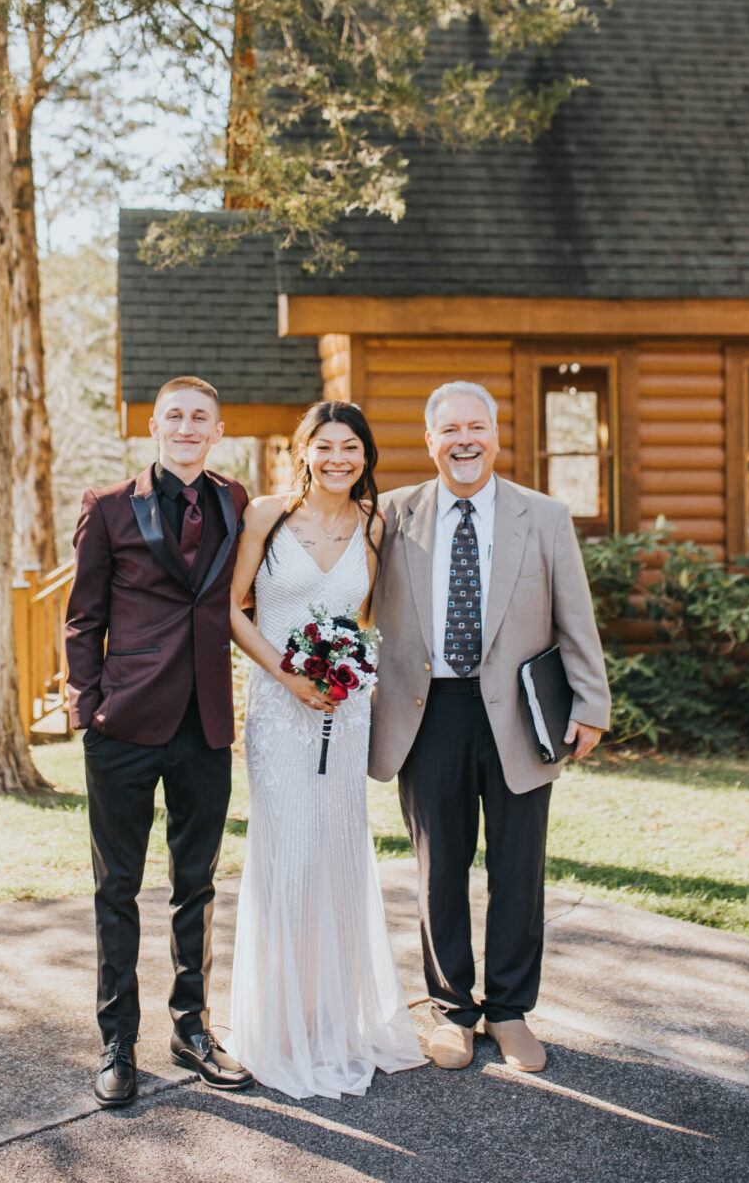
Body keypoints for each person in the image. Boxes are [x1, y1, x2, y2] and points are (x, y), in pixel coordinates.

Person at [371, 381, 610, 1074]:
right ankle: (452, 1011)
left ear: (497, 436)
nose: (464, 440)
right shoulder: (391, 515)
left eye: (476, 427)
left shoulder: (544, 515)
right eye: (449, 430)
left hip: (523, 711)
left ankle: (509, 1012)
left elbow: (576, 617)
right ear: (430, 441)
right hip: (428, 713)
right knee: (439, 866)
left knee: (517, 867)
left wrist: (590, 704)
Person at [64, 375, 255, 1106]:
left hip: (205, 724)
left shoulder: (235, 500)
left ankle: (192, 1029)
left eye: (199, 417)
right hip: (126, 725)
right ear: (153, 426)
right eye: (174, 415)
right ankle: (117, 1040)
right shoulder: (108, 507)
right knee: (117, 887)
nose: (186, 425)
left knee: (196, 885)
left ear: (218, 429)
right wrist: (88, 710)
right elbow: (84, 617)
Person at [228, 401, 425, 1099]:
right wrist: (287, 675)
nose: (339, 459)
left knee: (337, 849)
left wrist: (348, 670)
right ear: (303, 449)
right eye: (326, 446)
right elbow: (232, 606)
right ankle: (275, 1026)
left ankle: (330, 1018)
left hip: (344, 711)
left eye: (353, 448)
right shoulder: (265, 515)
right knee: (289, 849)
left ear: (366, 456)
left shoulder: (375, 526)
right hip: (279, 710)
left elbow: (376, 614)